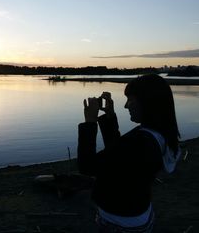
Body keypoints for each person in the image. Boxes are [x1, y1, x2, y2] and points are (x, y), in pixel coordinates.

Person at [77, 74, 181, 233]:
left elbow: (87, 166)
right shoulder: (157, 134)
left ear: (148, 103)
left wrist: (90, 123)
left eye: (131, 100)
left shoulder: (142, 142)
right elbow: (118, 153)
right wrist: (109, 117)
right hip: (138, 213)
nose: (126, 106)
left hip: (120, 223)